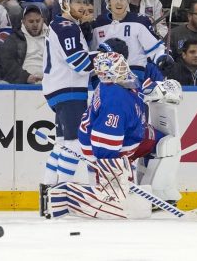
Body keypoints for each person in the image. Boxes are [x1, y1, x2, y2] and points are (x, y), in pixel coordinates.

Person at [40, 51, 183, 219]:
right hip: (108, 148)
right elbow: (104, 148)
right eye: (120, 67)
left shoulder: (118, 83)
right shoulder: (115, 103)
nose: (125, 69)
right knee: (168, 145)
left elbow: (138, 89)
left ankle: (157, 194)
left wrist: (157, 88)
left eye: (122, 64)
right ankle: (76, 197)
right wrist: (116, 174)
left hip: (127, 135)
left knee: (165, 142)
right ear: (110, 73)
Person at [41, 0, 95, 190]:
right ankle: (61, 190)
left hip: (60, 91)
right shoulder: (66, 26)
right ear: (65, 5)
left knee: (62, 144)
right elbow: (79, 63)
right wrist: (106, 54)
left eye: (84, 1)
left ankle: (47, 190)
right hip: (69, 91)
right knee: (75, 144)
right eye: (77, 2)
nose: (82, 6)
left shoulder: (63, 25)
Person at [91, 0, 167, 84]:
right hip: (105, 78)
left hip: (134, 75)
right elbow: (93, 54)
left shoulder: (140, 21)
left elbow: (156, 49)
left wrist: (163, 58)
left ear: (128, 0)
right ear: (108, 0)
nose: (119, 2)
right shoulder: (98, 24)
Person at [0, 5, 47, 84]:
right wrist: (26, 77)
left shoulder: (52, 38)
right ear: (23, 22)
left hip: (50, 81)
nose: (35, 24)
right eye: (31, 21)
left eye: (38, 21)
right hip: (23, 82)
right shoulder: (14, 38)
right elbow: (7, 63)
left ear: (43, 20)